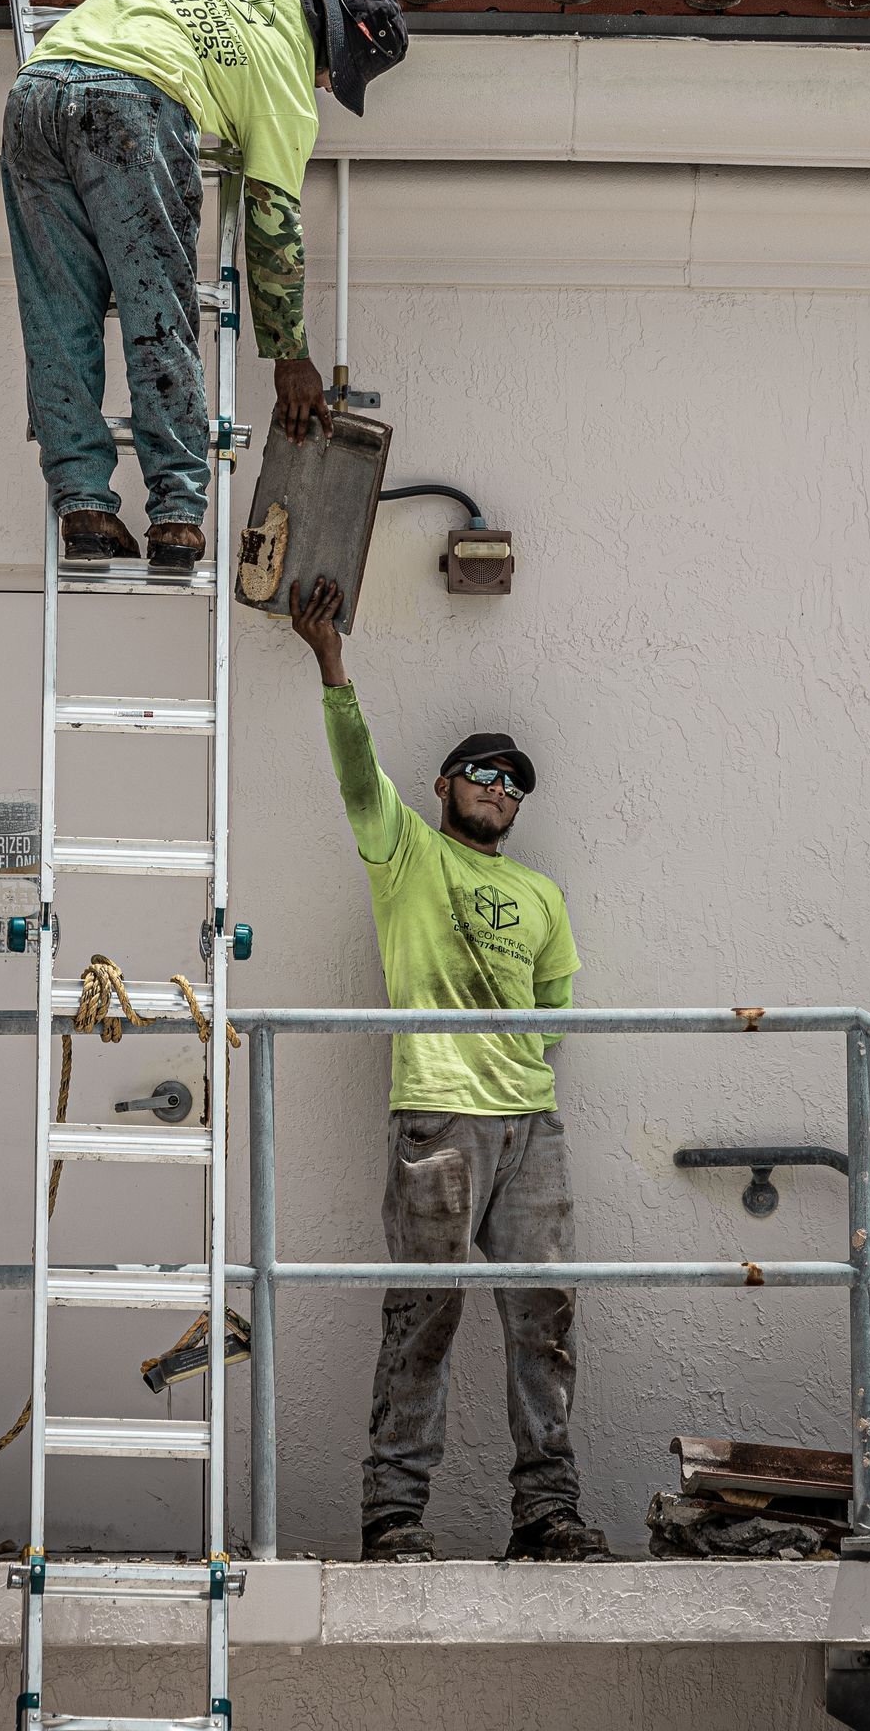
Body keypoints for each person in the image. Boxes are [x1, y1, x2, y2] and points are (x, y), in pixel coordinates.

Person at [288, 573, 608, 1564]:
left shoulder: (542, 895)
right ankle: (394, 1519)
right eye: (483, 773)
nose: (500, 791)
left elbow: (557, 1001)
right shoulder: (406, 858)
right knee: (425, 1313)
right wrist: (332, 663)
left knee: (543, 1319)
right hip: (438, 1119)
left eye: (516, 783)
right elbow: (354, 773)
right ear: (443, 784)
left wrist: (522, 1063)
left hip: (532, 1130)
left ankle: (546, 1517)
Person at [1, 0, 405, 570]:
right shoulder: (285, 84)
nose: (320, 86)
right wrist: (289, 357)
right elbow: (274, 230)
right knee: (158, 308)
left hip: (38, 87)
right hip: (134, 108)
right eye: (330, 75)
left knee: (56, 311)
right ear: (327, 50)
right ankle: (177, 515)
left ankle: (85, 504)